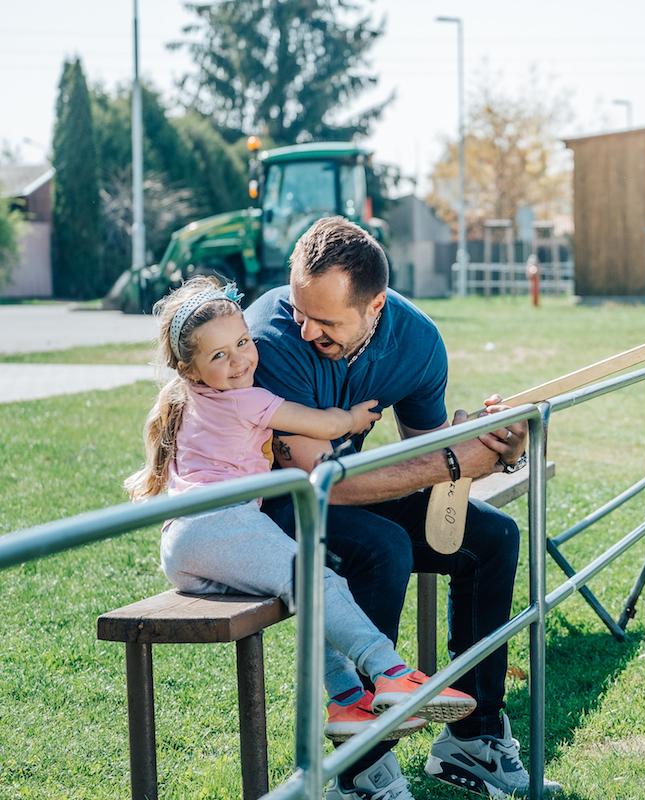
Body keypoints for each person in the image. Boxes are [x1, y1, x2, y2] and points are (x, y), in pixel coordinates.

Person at [244, 216, 562, 800]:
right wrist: (452, 462)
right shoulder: (271, 339)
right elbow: (321, 485)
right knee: (382, 548)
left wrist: (493, 446)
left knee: (492, 538)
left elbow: (428, 455)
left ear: (375, 307)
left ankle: (475, 737)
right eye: (300, 308)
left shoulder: (416, 341)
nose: (308, 327)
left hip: (342, 494)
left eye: (328, 321)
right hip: (267, 510)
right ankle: (361, 769)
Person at [123, 275, 477, 752]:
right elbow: (321, 424)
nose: (240, 361)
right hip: (220, 525)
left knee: (310, 590)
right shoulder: (247, 400)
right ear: (189, 369)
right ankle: (390, 671)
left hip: (193, 541)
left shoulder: (191, 400)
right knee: (320, 581)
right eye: (219, 356)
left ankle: (349, 697)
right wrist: (353, 420)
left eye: (243, 343)